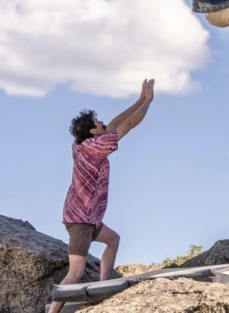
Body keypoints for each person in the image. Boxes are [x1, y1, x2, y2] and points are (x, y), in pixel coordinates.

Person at [48, 79, 156, 313]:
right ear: (92, 131)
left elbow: (117, 123)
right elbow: (128, 124)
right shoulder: (95, 148)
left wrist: (138, 100)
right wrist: (148, 102)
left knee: (113, 240)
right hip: (81, 220)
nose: (103, 122)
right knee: (75, 273)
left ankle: (102, 288)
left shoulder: (82, 144)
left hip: (89, 217)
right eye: (99, 122)